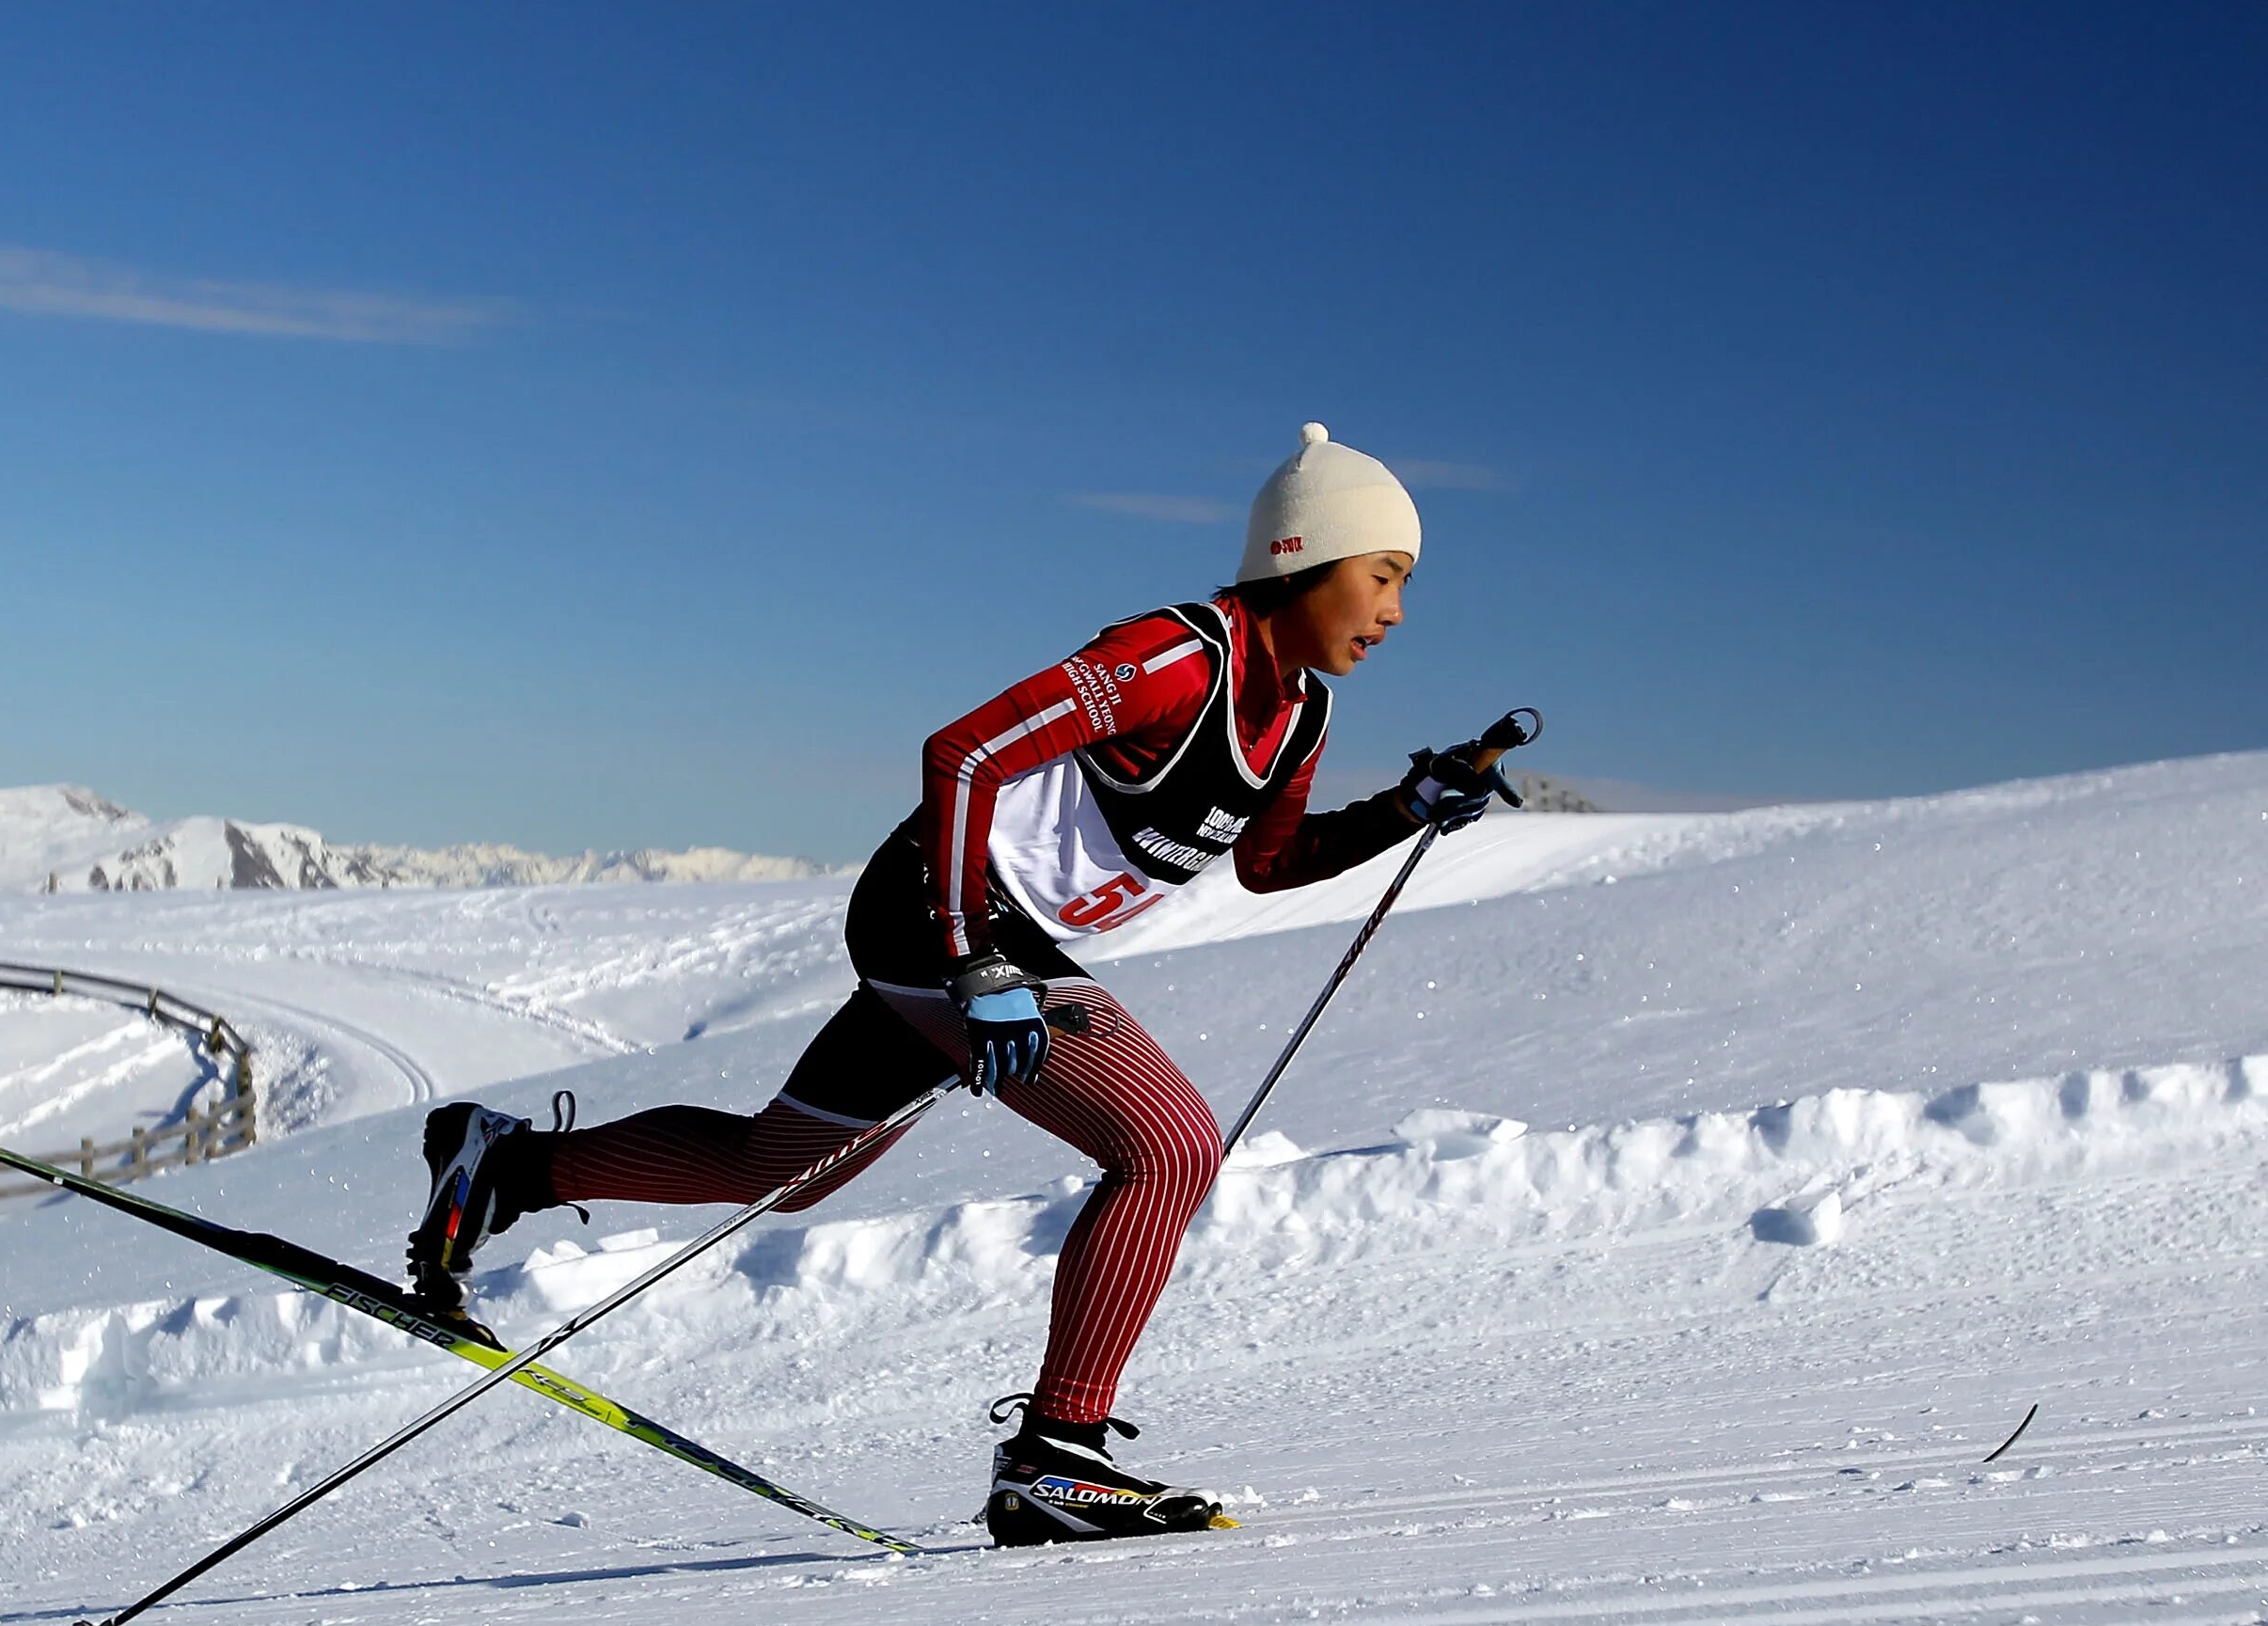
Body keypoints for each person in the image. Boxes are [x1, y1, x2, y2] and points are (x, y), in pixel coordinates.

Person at [405, 423, 1511, 1544]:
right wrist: (970, 951)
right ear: (1303, 555)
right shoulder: (1177, 658)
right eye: (1387, 575)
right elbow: (966, 752)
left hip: (994, 945)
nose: (1396, 612)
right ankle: (1055, 1455)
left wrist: (1406, 807)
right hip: (939, 912)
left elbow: (1272, 864)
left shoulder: (1300, 712)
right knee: (1170, 1143)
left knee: (780, 1168)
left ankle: (506, 1167)